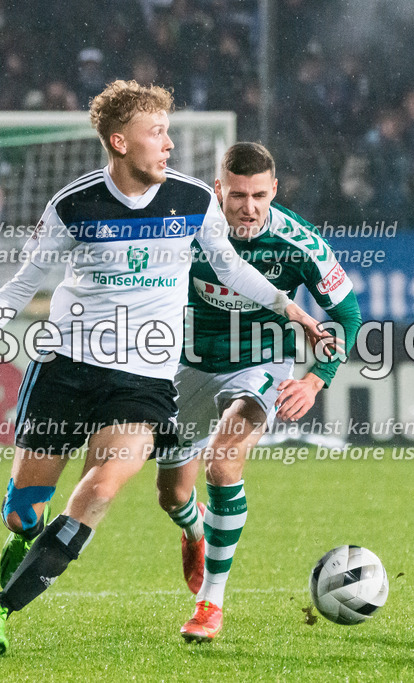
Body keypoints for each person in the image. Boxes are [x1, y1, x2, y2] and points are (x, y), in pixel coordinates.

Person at [0, 81, 329, 656]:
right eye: (156, 133)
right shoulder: (72, 206)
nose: (170, 145)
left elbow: (230, 269)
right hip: (66, 367)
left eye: (168, 132)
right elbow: (17, 290)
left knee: (101, 489)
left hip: (143, 382)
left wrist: (291, 309)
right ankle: (27, 535)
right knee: (21, 514)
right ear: (119, 141)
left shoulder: (192, 201)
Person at [155, 142, 363, 642]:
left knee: (223, 461)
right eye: (237, 196)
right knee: (171, 495)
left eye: (259, 196)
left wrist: (317, 378)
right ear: (218, 189)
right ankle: (195, 528)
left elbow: (348, 315)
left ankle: (211, 603)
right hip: (191, 364)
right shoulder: (187, 225)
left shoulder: (299, 242)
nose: (248, 208)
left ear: (274, 190)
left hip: (260, 365)